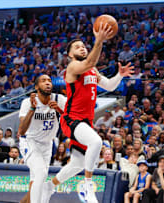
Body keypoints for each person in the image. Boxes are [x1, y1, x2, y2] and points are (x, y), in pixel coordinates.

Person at [42, 23, 134, 203]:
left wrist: (120, 75)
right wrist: (99, 40)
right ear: (69, 54)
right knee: (96, 141)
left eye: (83, 46)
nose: (82, 48)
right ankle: (87, 184)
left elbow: (108, 86)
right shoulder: (73, 67)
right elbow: (91, 61)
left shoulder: (92, 69)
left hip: (85, 121)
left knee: (77, 163)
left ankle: (50, 185)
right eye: (77, 46)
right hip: (71, 119)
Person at [18, 74, 66, 203]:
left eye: (49, 80)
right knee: (41, 173)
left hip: (47, 144)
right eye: (43, 81)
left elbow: (71, 121)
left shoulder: (59, 99)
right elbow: (21, 131)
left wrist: (59, 110)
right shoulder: (27, 102)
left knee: (36, 181)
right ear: (36, 87)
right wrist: (32, 109)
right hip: (30, 142)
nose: (47, 83)